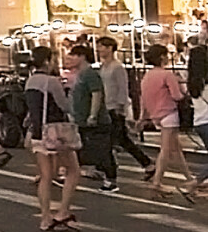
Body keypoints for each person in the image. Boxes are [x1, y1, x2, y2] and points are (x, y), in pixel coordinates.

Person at [26, 45, 82, 231]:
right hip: (56, 132)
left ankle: (45, 218)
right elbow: (65, 106)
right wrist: (70, 92)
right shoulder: (51, 82)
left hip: (38, 132)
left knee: (45, 176)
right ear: (47, 61)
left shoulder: (30, 81)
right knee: (73, 170)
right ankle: (63, 210)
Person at [135, 43, 195, 202]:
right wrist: (183, 88)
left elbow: (143, 98)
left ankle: (189, 178)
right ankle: (157, 182)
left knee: (175, 148)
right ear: (162, 57)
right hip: (169, 113)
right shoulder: (167, 75)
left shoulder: (146, 76)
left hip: (155, 115)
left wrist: (142, 117)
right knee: (166, 150)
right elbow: (177, 96)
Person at [97, 37, 153, 176]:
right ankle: (145, 163)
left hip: (115, 106)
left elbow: (123, 88)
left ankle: (146, 163)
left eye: (102, 47)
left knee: (120, 139)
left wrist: (121, 106)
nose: (99, 50)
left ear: (110, 48)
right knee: (117, 139)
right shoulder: (103, 66)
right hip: (106, 106)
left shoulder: (117, 67)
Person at [67, 43, 117, 193]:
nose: (70, 59)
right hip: (81, 119)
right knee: (84, 149)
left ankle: (111, 179)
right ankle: (91, 171)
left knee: (102, 150)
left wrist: (93, 115)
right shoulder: (79, 75)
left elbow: (97, 94)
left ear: (82, 57)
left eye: (74, 55)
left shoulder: (90, 74)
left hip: (96, 120)